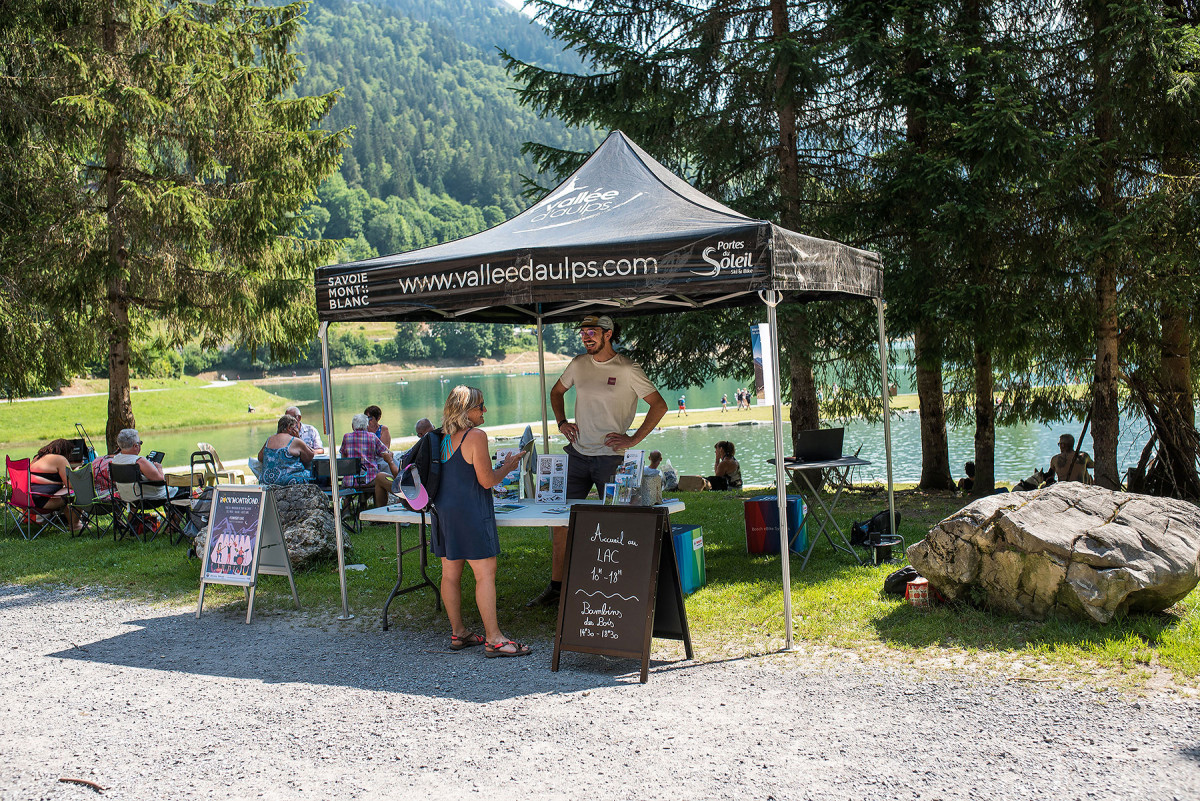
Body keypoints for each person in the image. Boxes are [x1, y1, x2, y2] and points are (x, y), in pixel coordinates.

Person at [529, 315, 668, 607]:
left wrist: (633, 440)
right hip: (577, 455)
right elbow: (556, 392)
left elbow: (659, 404)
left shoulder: (628, 368)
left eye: (591, 332)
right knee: (559, 522)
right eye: (583, 333)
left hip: (612, 459)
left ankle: (623, 587)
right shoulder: (579, 364)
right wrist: (562, 421)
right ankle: (557, 588)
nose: (585, 337)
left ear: (608, 333)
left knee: (618, 525)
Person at [432, 386, 528, 657]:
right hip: (471, 512)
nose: (485, 410)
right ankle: (494, 639)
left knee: (450, 575)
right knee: (485, 574)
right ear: (466, 410)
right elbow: (487, 481)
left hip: (444, 513)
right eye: (480, 406)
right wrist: (509, 466)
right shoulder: (475, 436)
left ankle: (459, 633)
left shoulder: (441, 438)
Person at [111, 428, 186, 503]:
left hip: (126, 497)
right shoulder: (139, 461)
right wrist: (159, 468)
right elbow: (160, 479)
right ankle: (174, 515)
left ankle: (170, 514)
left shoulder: (115, 460)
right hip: (148, 498)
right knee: (184, 489)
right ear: (135, 446)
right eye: (140, 443)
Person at [340, 413, 398, 508]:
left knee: (345, 481)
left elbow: (343, 457)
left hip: (351, 481)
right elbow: (386, 452)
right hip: (369, 479)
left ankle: (346, 508)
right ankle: (379, 508)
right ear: (367, 425)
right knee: (380, 479)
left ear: (352, 426)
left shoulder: (346, 437)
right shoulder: (372, 437)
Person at [28, 438, 79, 530]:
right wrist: (74, 473)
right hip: (42, 502)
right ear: (66, 451)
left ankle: (66, 520)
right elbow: (70, 485)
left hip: (26, 500)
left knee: (64, 492)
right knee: (78, 492)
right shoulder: (60, 459)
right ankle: (75, 525)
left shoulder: (37, 458)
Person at [258, 415, 315, 485]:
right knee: (312, 473)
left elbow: (260, 458)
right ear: (289, 428)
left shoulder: (269, 439)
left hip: (267, 481)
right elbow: (310, 456)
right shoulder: (294, 440)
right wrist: (299, 438)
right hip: (288, 482)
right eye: (296, 427)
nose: (298, 430)